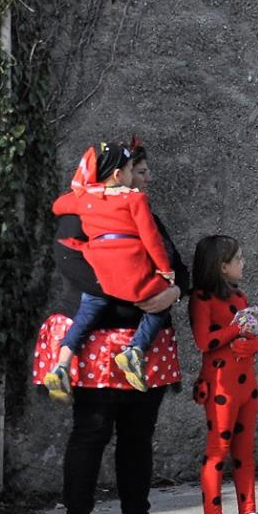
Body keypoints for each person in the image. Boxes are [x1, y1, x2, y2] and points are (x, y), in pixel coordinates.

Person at [31, 141, 189, 514]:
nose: (147, 177)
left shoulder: (143, 211)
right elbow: (73, 268)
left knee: (139, 436)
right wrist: (136, 294)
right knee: (92, 431)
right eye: (140, 170)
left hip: (144, 342)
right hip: (97, 341)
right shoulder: (77, 214)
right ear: (116, 173)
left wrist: (173, 290)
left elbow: (178, 268)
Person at [42, 139, 176, 396]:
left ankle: (60, 365)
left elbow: (58, 206)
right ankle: (135, 350)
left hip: (102, 275)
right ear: (119, 174)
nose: (146, 178)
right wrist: (167, 275)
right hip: (132, 276)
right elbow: (152, 240)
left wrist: (84, 194)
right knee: (161, 296)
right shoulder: (135, 200)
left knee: (84, 315)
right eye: (134, 170)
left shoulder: (84, 202)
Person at [189, 235, 258, 514]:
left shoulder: (239, 297)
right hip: (220, 385)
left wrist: (252, 341)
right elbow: (204, 341)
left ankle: (248, 512)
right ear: (222, 266)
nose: (243, 263)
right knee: (218, 451)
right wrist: (237, 330)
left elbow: (251, 339)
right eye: (238, 259)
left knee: (245, 451)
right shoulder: (201, 298)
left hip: (246, 384)